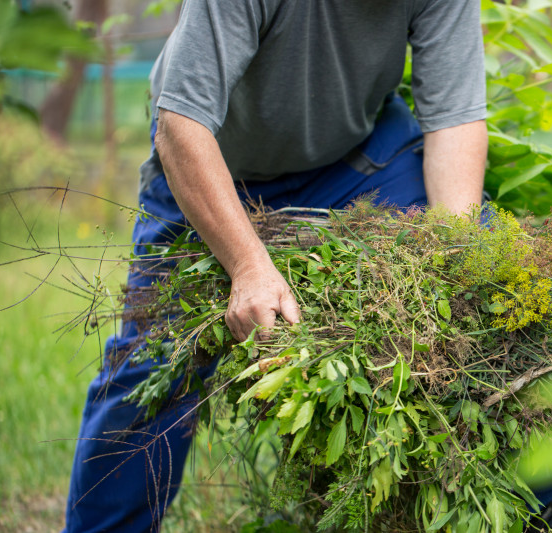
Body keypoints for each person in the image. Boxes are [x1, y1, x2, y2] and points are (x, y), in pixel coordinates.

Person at [63, 0, 487, 531]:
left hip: (352, 162)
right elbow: (180, 125)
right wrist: (248, 266)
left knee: (481, 302)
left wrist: (458, 257)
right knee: (152, 366)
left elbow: (455, 120)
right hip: (213, 164)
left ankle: (550, 508)